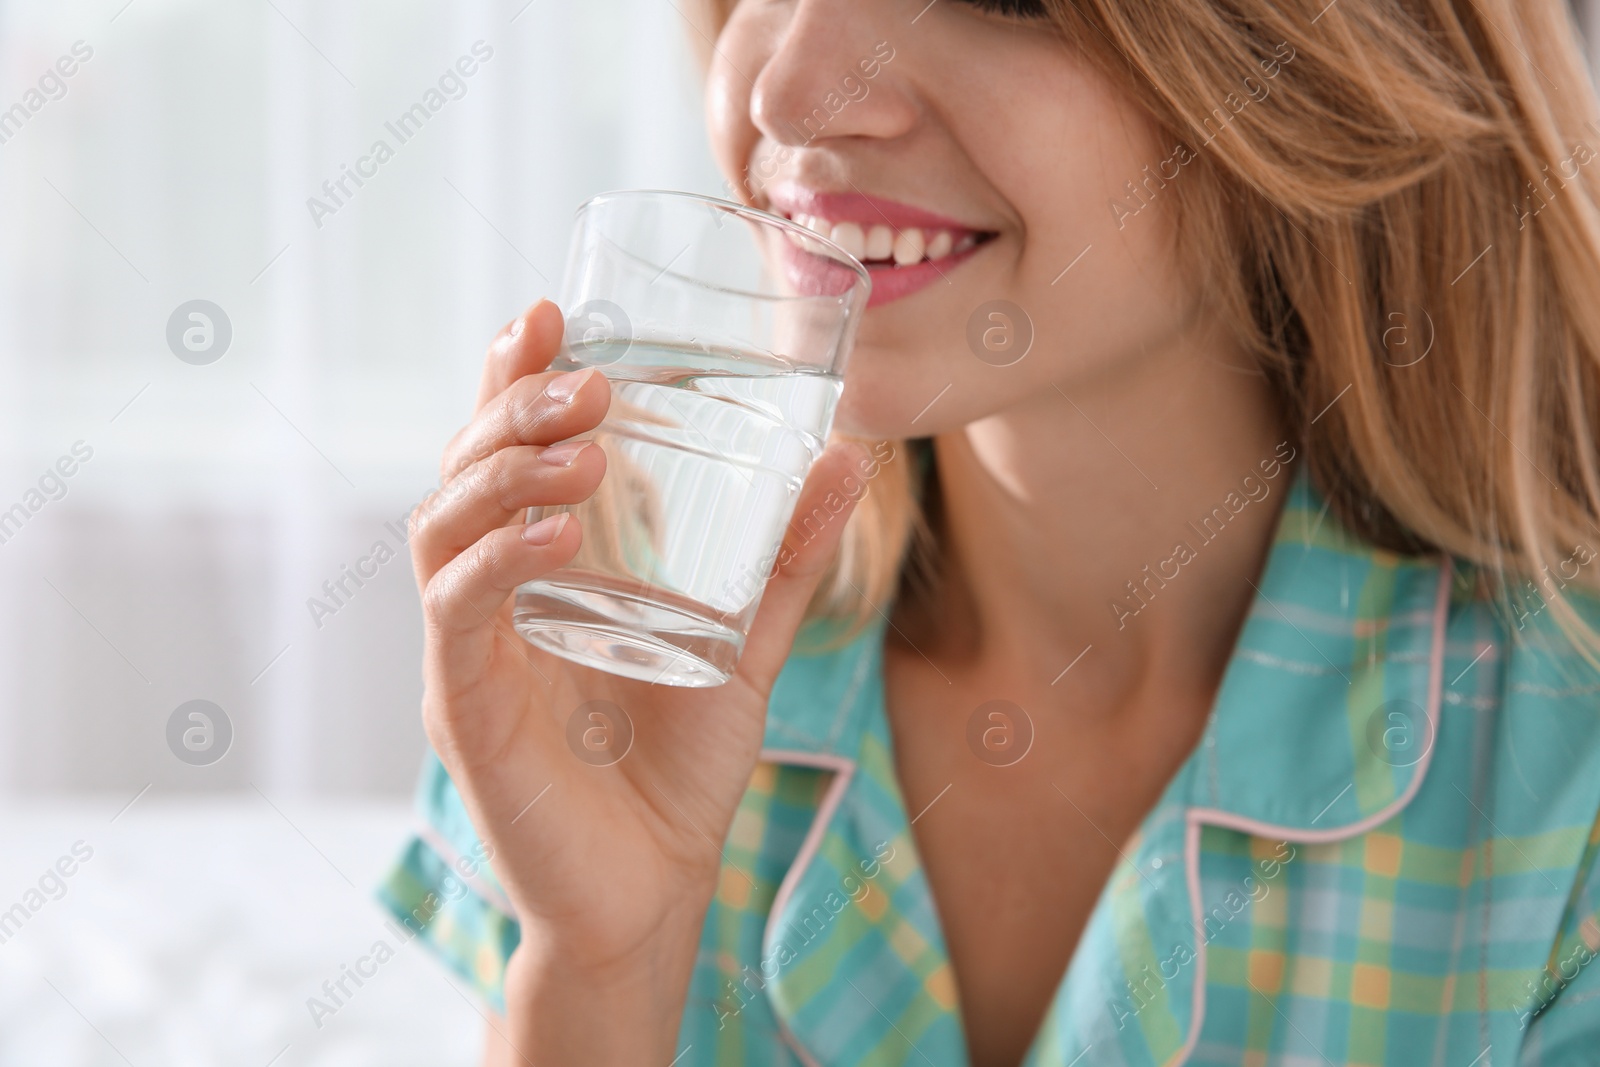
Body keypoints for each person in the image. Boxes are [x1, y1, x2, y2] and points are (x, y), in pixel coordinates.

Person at [380, 1, 1600, 1063]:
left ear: (1308, 62)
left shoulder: (1564, 797)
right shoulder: (621, 634)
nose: (791, 96)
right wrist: (597, 965)